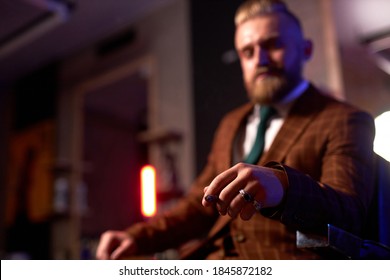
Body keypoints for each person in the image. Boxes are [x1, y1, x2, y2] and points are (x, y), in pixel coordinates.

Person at [96, 0, 375, 260]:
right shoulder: (230, 123)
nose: (260, 59)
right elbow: (198, 205)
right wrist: (135, 238)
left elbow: (349, 213)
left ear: (306, 49)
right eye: (248, 51)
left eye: (273, 44)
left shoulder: (344, 119)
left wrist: (283, 186)